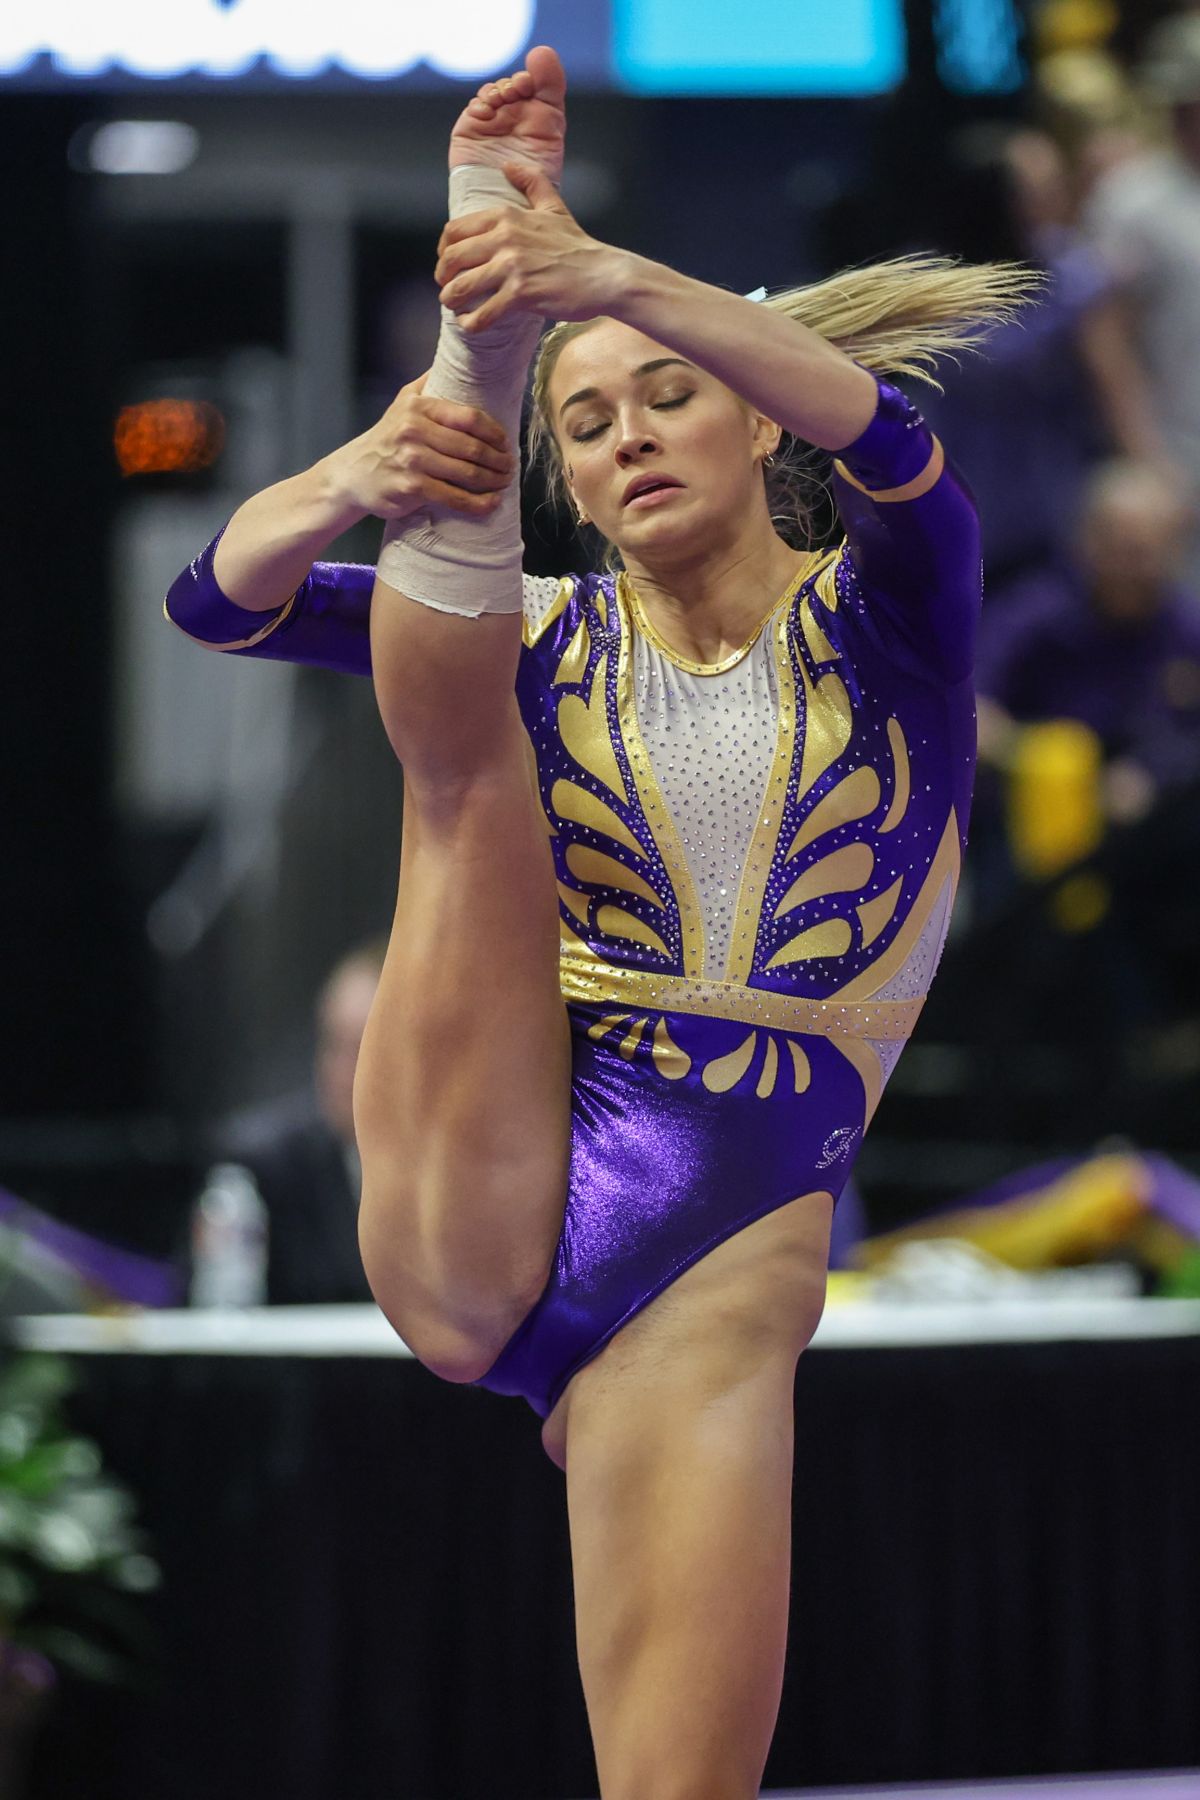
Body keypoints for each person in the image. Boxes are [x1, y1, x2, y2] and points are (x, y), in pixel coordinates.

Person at [163, 46, 1031, 1800]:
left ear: (759, 410)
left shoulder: (893, 629)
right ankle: (466, 357)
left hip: (710, 1251)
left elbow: (906, 444)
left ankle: (505, 322)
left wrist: (610, 279)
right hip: (497, 1147)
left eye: (669, 396)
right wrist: (370, 464)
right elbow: (217, 597)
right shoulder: (555, 636)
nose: (629, 435)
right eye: (586, 420)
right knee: (466, 755)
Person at [976, 458, 1200, 827]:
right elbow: (973, 699)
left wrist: (1152, 773)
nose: (1124, 568)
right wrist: (1022, 750)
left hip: (1149, 830)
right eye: (1113, 547)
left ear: (1175, 553)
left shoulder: (1188, 636)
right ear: (1085, 539)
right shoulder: (1034, 612)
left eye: (1140, 553)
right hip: (1023, 815)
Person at [191, 940, 385, 1306]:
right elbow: (212, 1319)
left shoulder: (454, 1174)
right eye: (332, 1045)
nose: (341, 1070)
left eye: (361, 1047)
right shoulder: (257, 1168)